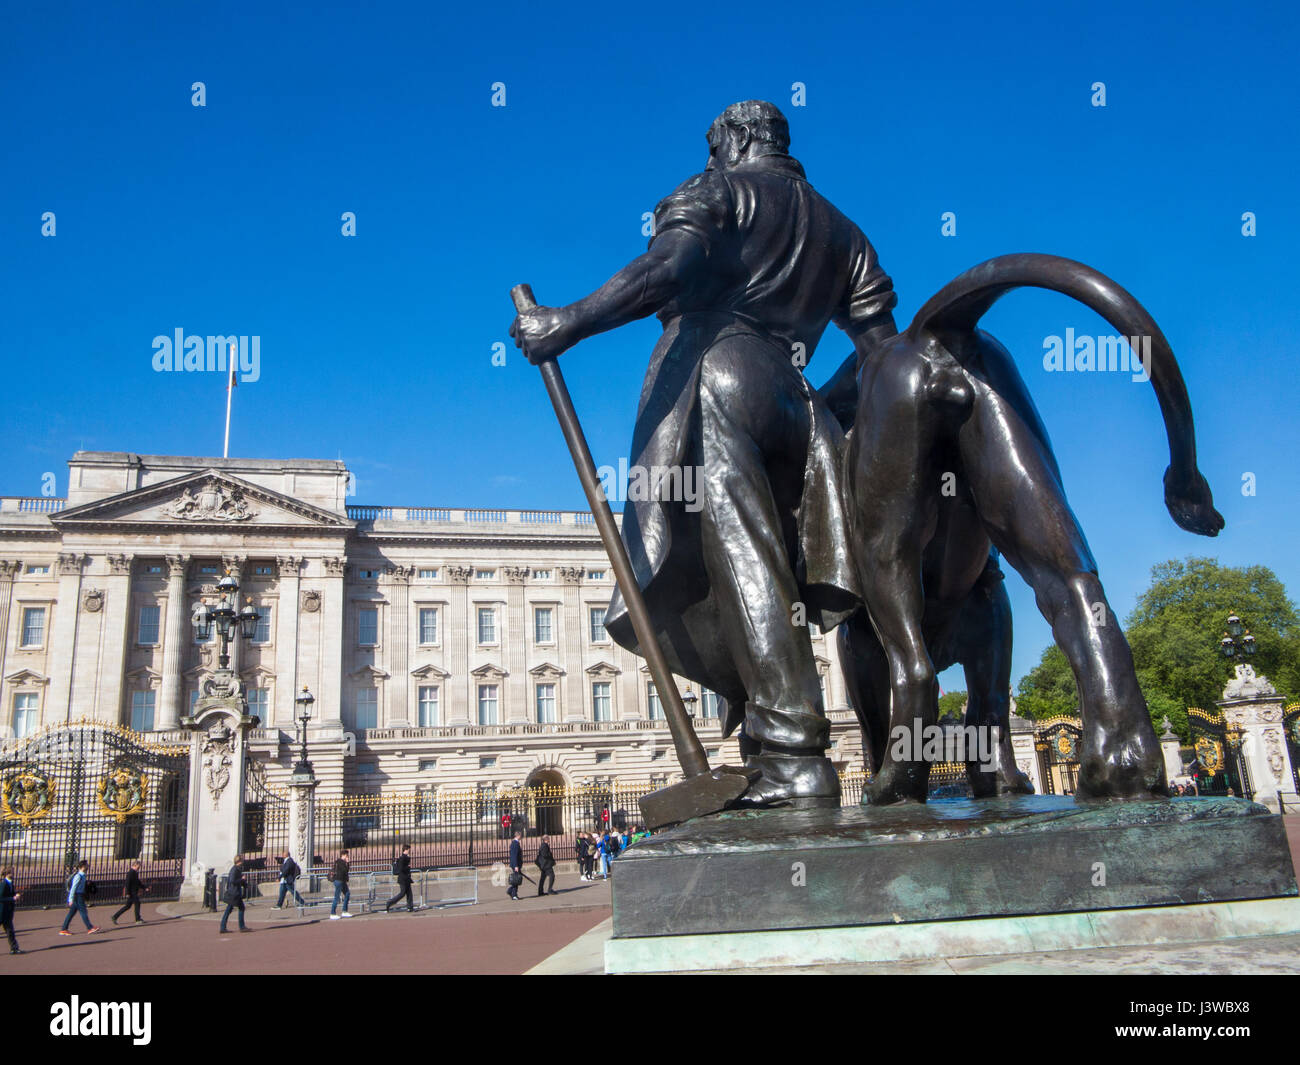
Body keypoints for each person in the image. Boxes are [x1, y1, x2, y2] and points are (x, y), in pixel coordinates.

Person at [511, 100, 896, 806]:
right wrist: (830, 414)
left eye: (715, 146)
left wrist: (569, 320)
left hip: (719, 374)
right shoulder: (845, 232)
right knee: (745, 567)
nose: (711, 157)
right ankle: (763, 738)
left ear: (738, 140)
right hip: (800, 408)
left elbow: (668, 269)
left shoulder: (716, 189)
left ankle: (792, 751)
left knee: (742, 555)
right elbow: (882, 355)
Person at [59, 860, 100, 935]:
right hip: (77, 896)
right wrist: (70, 899)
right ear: (83, 866)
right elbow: (73, 888)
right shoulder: (78, 876)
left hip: (79, 895)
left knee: (71, 913)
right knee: (83, 911)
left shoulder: (83, 875)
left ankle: (64, 929)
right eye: (87, 865)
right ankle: (90, 928)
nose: (88, 866)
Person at [219, 855, 248, 934]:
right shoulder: (234, 869)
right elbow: (233, 881)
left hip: (235, 893)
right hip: (234, 893)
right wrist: (241, 879)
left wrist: (244, 883)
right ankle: (241, 926)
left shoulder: (237, 869)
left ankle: (223, 926)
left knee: (231, 909)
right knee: (236, 908)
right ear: (239, 861)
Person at [111, 860, 147, 925]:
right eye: (138, 867)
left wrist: (144, 887)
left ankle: (115, 916)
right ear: (135, 865)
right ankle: (137, 919)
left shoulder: (134, 873)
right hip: (131, 892)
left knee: (127, 906)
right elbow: (127, 883)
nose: (139, 868)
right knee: (137, 903)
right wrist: (127, 893)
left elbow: (138, 882)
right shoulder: (130, 873)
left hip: (133, 892)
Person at [385, 844, 415, 913]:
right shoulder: (402, 858)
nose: (409, 851)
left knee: (409, 893)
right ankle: (390, 902)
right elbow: (401, 868)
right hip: (403, 878)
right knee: (402, 893)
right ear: (406, 850)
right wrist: (408, 867)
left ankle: (410, 907)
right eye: (408, 849)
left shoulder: (405, 857)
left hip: (406, 878)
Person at [1, 867, 21, 954]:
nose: (13, 874)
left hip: (7, 912)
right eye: (12, 872)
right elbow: (1, 897)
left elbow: (10, 894)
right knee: (10, 931)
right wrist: (12, 898)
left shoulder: (10, 883)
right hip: (2, 912)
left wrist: (16, 895)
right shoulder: (4, 884)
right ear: (7, 874)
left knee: (10, 931)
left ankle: (14, 948)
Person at [330, 850, 352, 919]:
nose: (347, 857)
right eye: (347, 855)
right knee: (337, 897)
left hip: (342, 881)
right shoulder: (340, 862)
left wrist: (347, 863)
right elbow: (345, 871)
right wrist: (347, 863)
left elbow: (346, 870)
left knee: (347, 894)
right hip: (339, 880)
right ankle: (332, 913)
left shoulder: (340, 862)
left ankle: (344, 911)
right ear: (344, 855)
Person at [507, 829, 524, 901]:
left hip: (515, 864)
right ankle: (513, 894)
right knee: (516, 879)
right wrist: (516, 866)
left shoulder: (514, 843)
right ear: (518, 836)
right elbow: (514, 856)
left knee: (516, 879)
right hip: (515, 865)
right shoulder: (515, 843)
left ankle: (511, 891)